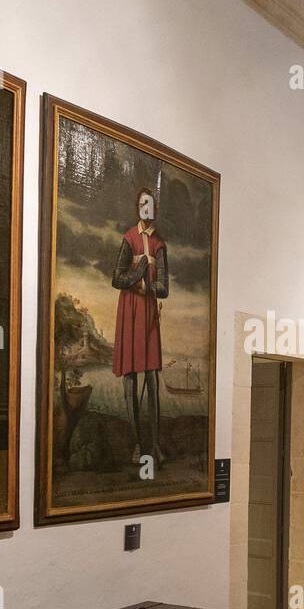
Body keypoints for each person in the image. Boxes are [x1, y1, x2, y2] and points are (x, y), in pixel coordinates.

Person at [111, 187, 169, 465]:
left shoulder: (160, 244)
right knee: (131, 378)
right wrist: (138, 274)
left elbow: (164, 287)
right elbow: (117, 278)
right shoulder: (129, 238)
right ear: (138, 208)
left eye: (152, 204)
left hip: (148, 311)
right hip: (130, 312)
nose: (148, 209)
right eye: (144, 204)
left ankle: (155, 446)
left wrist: (149, 285)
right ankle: (137, 446)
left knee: (153, 379)